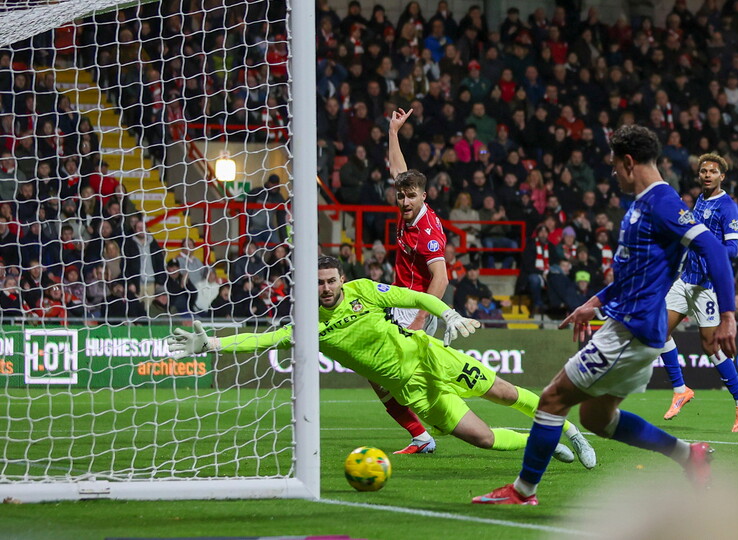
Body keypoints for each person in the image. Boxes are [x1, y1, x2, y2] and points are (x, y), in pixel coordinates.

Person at [474, 125, 737, 505]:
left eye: (615, 164)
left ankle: (522, 491)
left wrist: (727, 314)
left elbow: (714, 250)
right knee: (597, 419)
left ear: (628, 162)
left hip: (629, 331)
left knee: (551, 400)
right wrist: (593, 302)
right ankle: (688, 455)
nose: (613, 172)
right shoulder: (642, 204)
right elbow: (634, 274)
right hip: (635, 328)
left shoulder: (661, 202)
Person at [166, 257, 595, 466]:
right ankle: (544, 442)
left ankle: (570, 430)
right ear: (309, 287)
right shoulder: (308, 325)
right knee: (482, 438)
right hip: (413, 392)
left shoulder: (363, 290)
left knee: (502, 392)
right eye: (320, 283)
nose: (328, 288)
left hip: (431, 358)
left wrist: (447, 314)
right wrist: (213, 346)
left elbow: (415, 296)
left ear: (340, 279)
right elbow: (262, 339)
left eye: (332, 280)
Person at [660, 153, 738, 432]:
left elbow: (732, 249)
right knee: (658, 331)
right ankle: (681, 389)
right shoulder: (700, 200)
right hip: (685, 279)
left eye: (712, 172)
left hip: (707, 286)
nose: (706, 175)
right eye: (703, 171)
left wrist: (704, 246)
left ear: (722, 176)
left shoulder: (728, 207)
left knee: (710, 347)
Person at [374, 107, 450, 454]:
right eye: (400, 195)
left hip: (414, 307)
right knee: (380, 374)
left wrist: (420, 318)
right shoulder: (409, 205)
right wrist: (393, 132)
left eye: (409, 196)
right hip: (399, 301)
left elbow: (442, 278)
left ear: (424, 197)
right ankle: (424, 431)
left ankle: (431, 426)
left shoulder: (427, 233)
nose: (403, 200)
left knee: (383, 372)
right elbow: (398, 170)